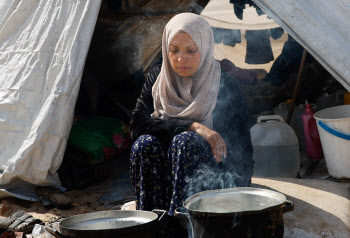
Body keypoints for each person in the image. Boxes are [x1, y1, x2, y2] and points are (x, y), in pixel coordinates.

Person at [130, 13, 254, 216]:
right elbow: (136, 125)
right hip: (163, 183)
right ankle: (151, 222)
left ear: (205, 48)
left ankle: (184, 224)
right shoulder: (158, 78)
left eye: (191, 50)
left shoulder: (224, 85)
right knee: (144, 144)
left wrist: (239, 193)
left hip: (210, 183)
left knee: (186, 142)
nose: (181, 59)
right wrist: (194, 126)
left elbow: (242, 151)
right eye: (174, 50)